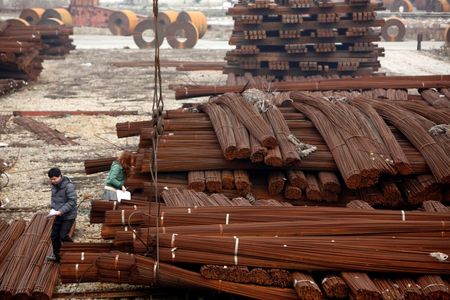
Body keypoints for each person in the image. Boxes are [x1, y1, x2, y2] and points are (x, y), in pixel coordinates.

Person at [47, 167, 77, 263]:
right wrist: (53, 209)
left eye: (55, 179)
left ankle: (76, 251)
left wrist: (61, 211)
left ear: (60, 176)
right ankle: (58, 257)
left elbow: (72, 202)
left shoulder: (69, 186)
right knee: (54, 236)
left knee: (63, 236)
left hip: (68, 216)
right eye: (51, 179)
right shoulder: (54, 186)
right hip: (58, 214)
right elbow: (55, 200)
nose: (53, 181)